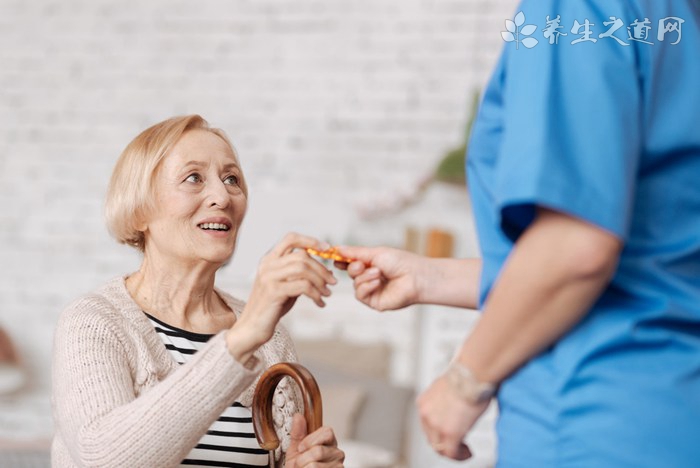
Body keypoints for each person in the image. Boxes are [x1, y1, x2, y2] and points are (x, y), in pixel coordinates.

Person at [337, 0, 700, 466]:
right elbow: (649, 259)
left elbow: (576, 247)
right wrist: (429, 277)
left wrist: (465, 379)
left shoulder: (575, 8)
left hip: (591, 413)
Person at [51, 115, 345, 467]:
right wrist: (242, 336)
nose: (222, 196)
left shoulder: (272, 341)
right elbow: (103, 460)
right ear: (140, 208)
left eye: (231, 179)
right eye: (194, 178)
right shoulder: (94, 322)